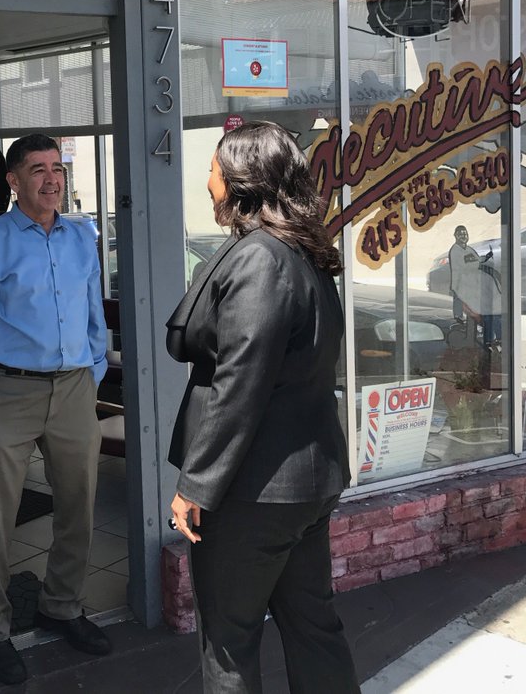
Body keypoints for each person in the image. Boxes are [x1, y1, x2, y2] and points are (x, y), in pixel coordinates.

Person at [166, 121, 360, 694]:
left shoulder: (261, 258)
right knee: (313, 627)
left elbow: (240, 382)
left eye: (212, 169)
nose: (207, 181)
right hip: (302, 483)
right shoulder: (301, 250)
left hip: (255, 491)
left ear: (238, 179)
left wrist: (196, 485)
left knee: (229, 642)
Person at [0, 133, 110, 685]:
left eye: (57, 168)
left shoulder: (81, 236)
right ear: (14, 181)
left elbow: (92, 309)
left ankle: (61, 605)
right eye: (37, 169)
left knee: (78, 507)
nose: (51, 178)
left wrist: (94, 368)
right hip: (7, 394)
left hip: (73, 391)